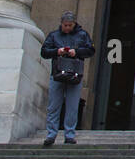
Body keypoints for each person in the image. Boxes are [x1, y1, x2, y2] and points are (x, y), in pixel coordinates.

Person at [40, 11, 95, 146]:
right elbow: (44, 52)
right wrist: (57, 51)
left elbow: (91, 50)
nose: (67, 28)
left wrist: (76, 52)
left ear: (74, 24)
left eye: (70, 25)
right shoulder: (54, 35)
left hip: (75, 73)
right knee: (53, 105)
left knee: (72, 106)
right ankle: (51, 134)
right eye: (65, 25)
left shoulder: (82, 35)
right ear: (61, 24)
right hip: (58, 74)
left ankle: (69, 134)